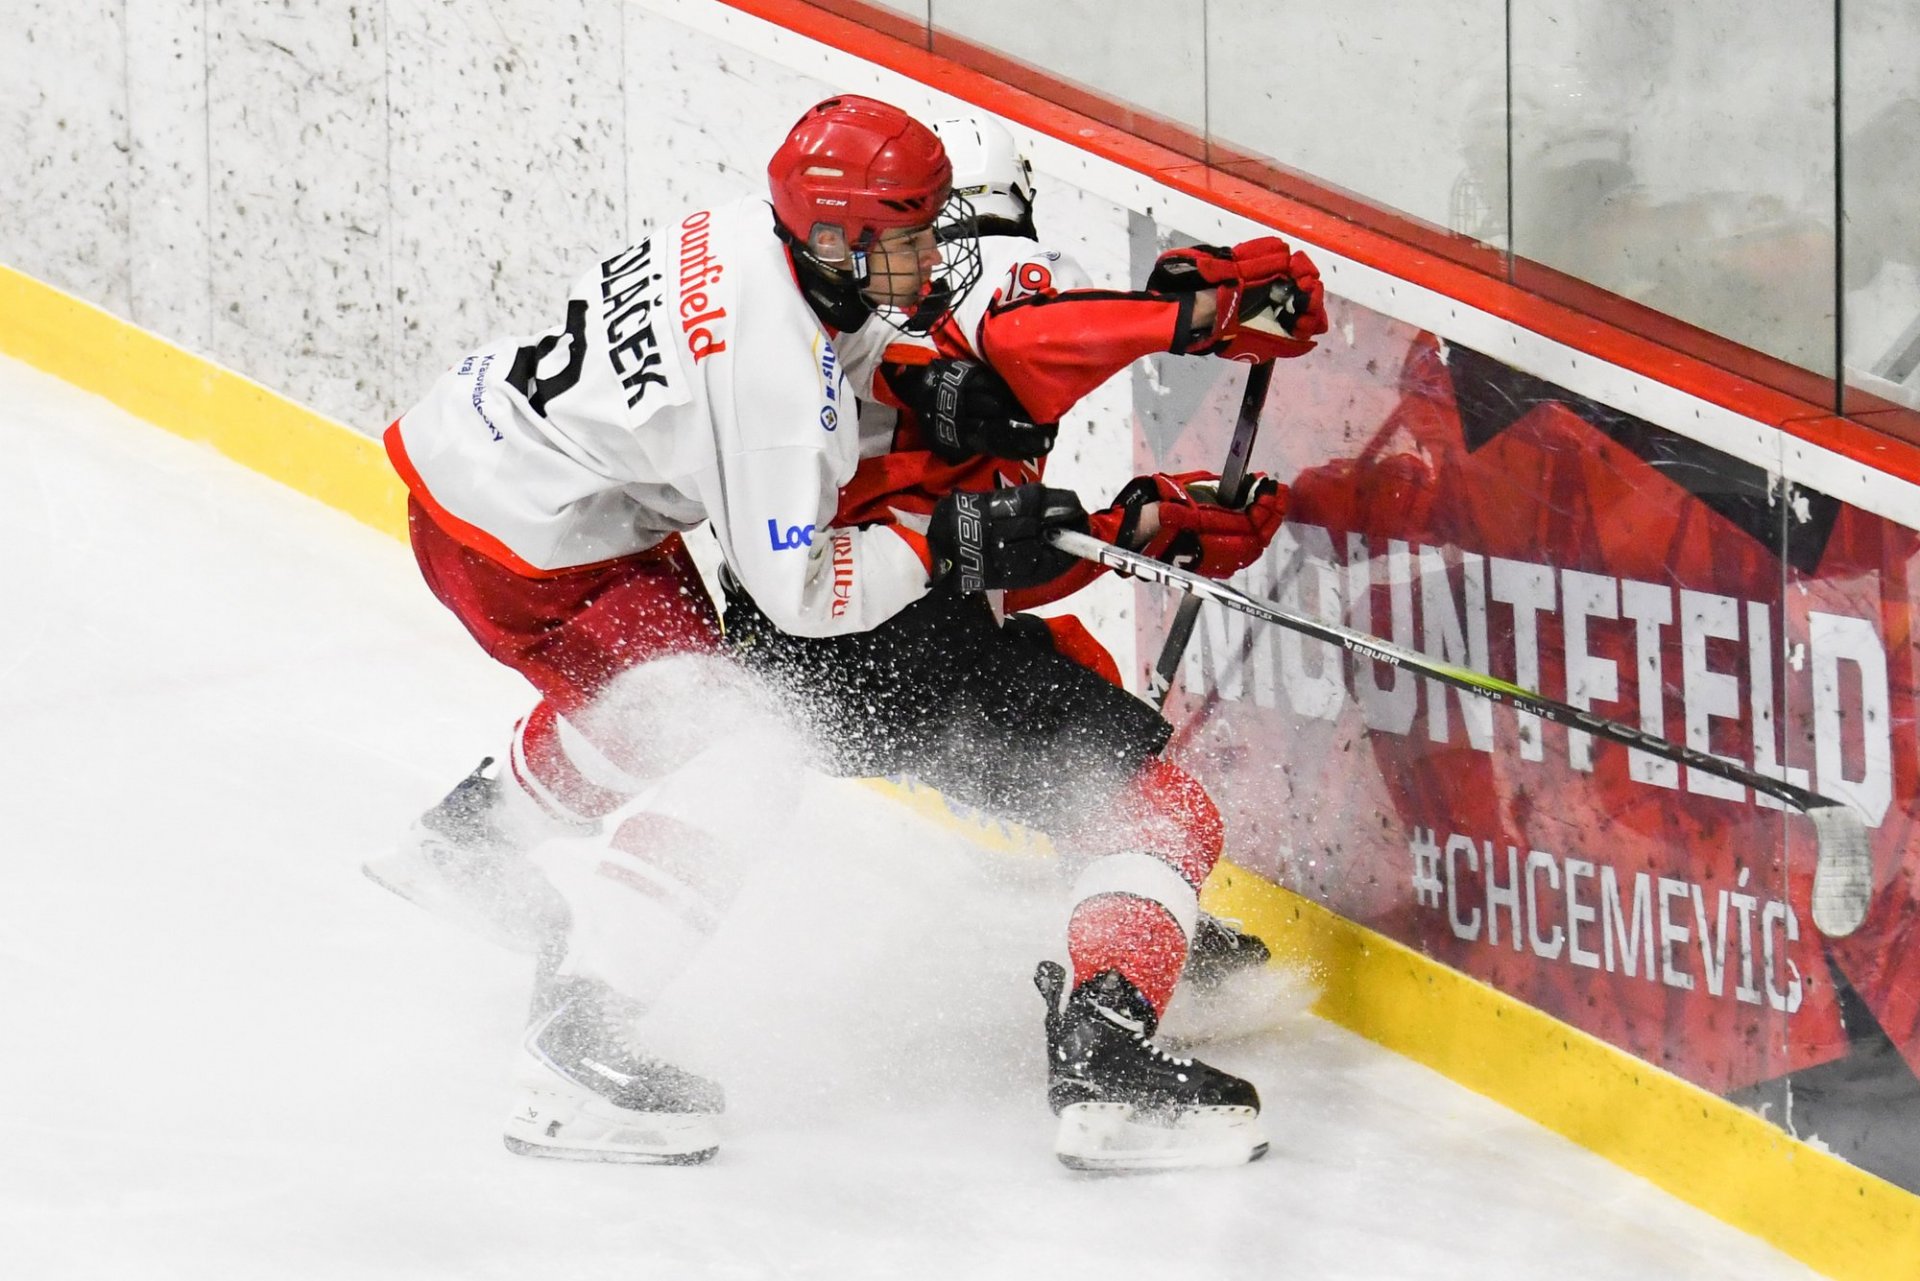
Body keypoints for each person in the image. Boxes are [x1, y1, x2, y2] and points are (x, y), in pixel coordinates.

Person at [370, 94, 987, 1164]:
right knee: (743, 747)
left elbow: (798, 368)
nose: (931, 257)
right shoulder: (771, 376)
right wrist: (948, 538)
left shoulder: (752, 231)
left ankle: (472, 841)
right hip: (527, 544)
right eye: (911, 236)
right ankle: (574, 1057)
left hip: (514, 476)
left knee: (664, 698)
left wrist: (915, 398)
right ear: (835, 240)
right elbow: (800, 593)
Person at [720, 114, 1333, 1170]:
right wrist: (1197, 315)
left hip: (793, 659)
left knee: (1073, 678)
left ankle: (1136, 930)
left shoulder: (813, 304)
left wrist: (1132, 531)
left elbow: (963, 549)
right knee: (1161, 810)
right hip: (889, 654)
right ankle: (1106, 1049)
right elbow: (1035, 335)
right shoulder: (972, 276)